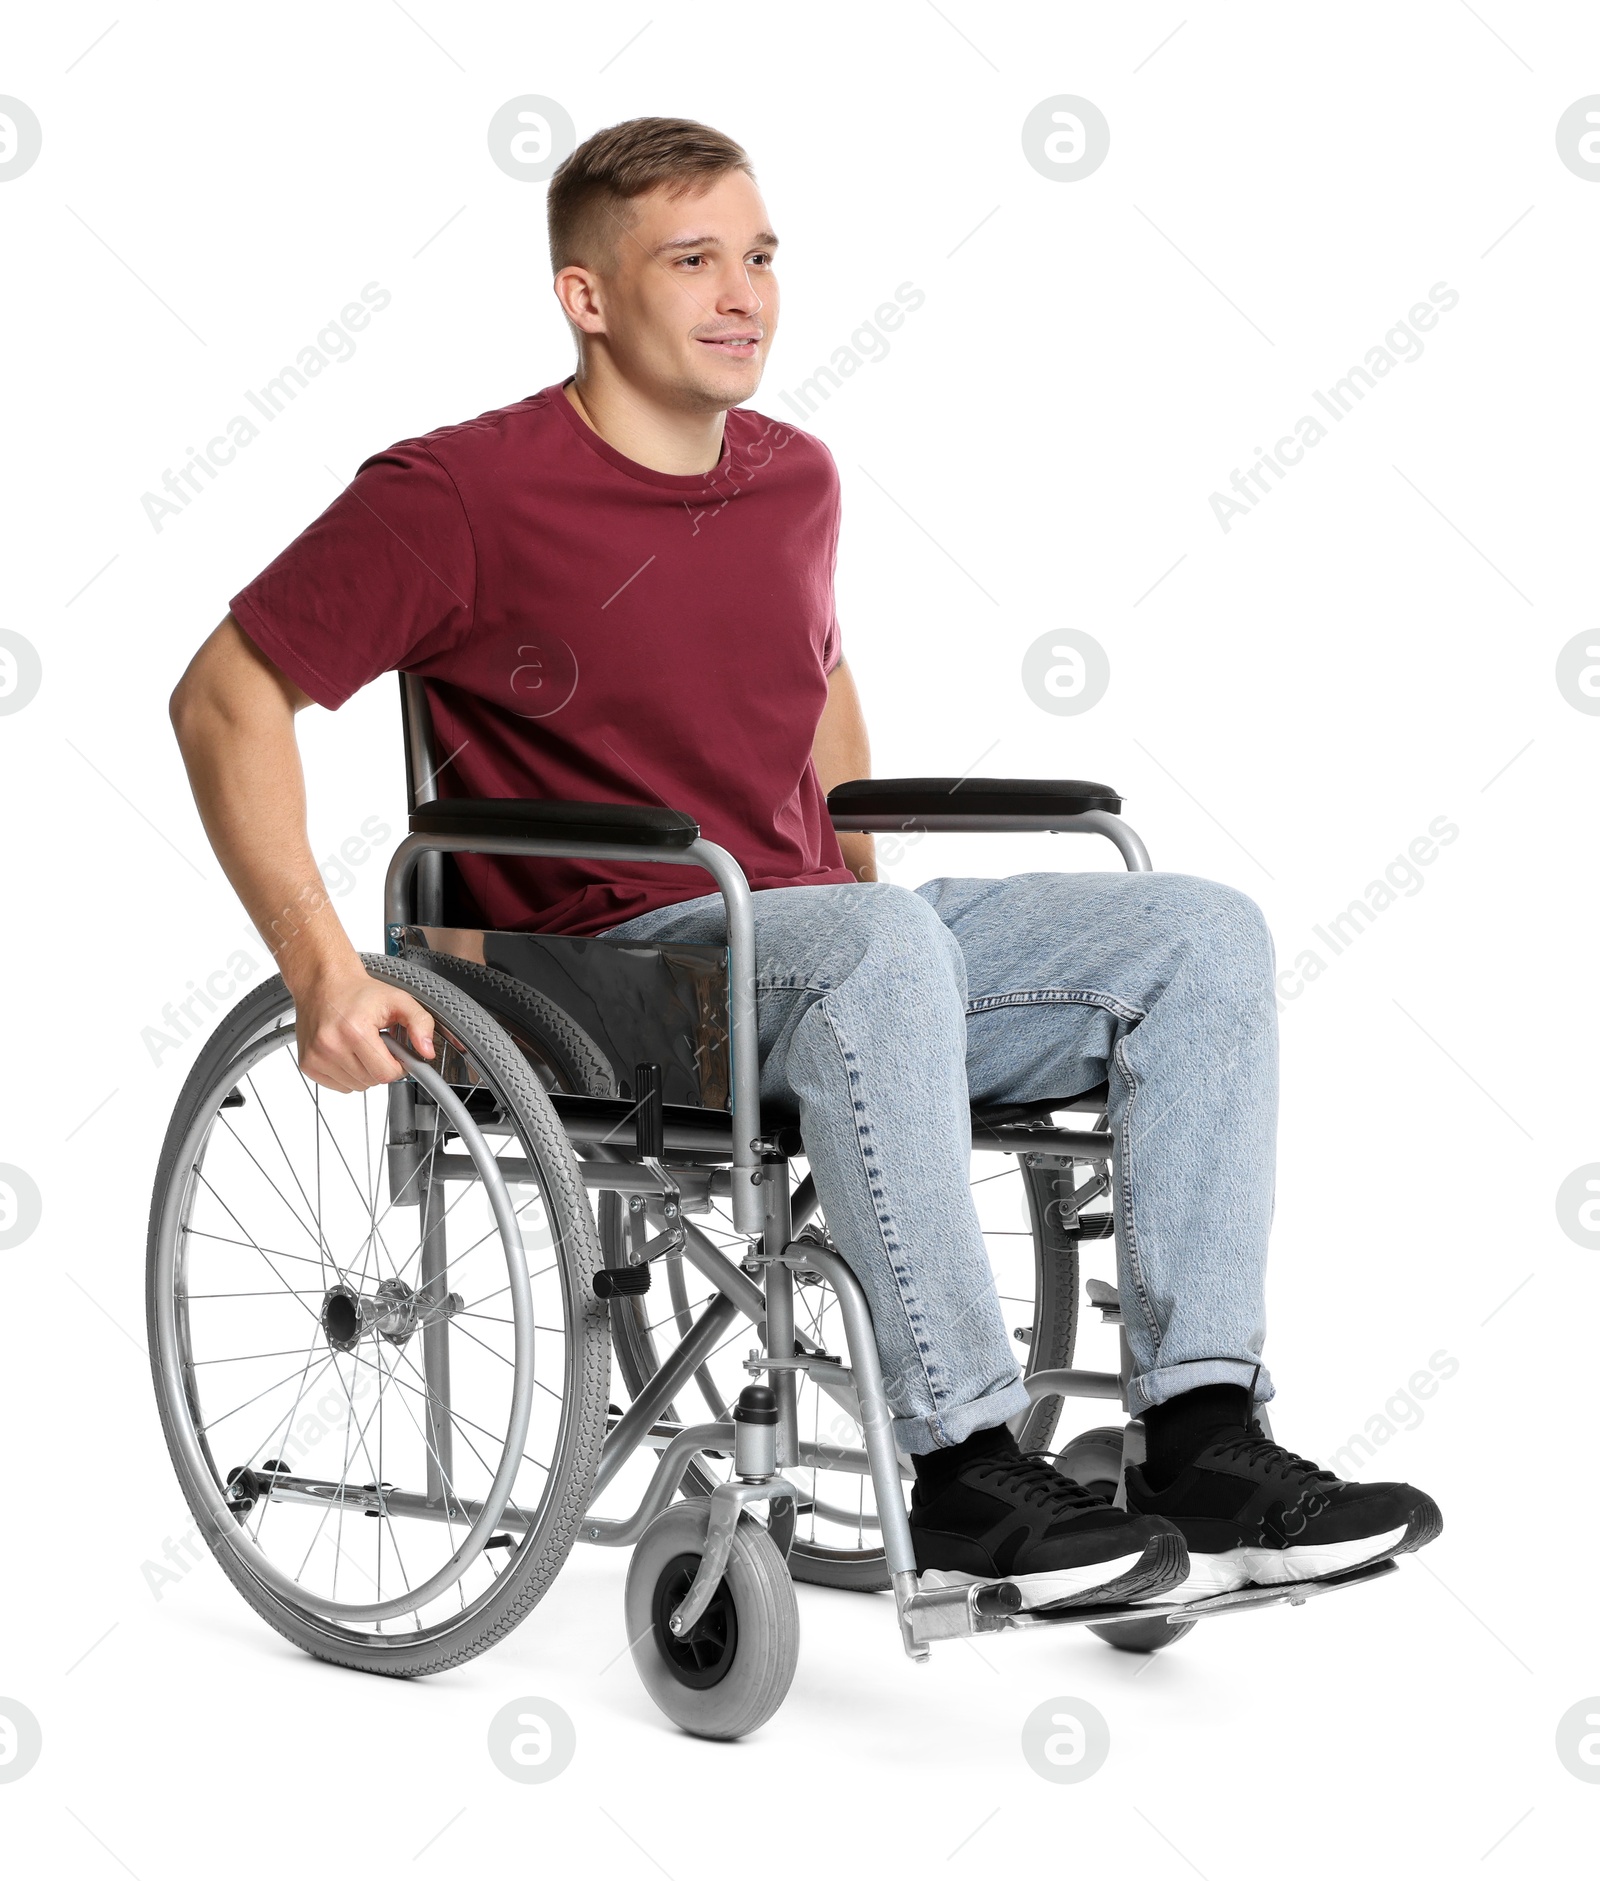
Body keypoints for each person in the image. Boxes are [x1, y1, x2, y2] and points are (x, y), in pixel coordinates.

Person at [170, 115, 1440, 1612]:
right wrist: (320, 965)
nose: (742, 295)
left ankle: (1202, 1431)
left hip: (794, 951)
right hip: (610, 971)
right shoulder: (457, 494)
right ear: (587, 297)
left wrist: (867, 925)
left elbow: (817, 679)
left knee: (1199, 934)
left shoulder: (795, 475)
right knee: (876, 951)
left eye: (761, 257)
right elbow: (224, 695)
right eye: (692, 259)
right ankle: (966, 1464)